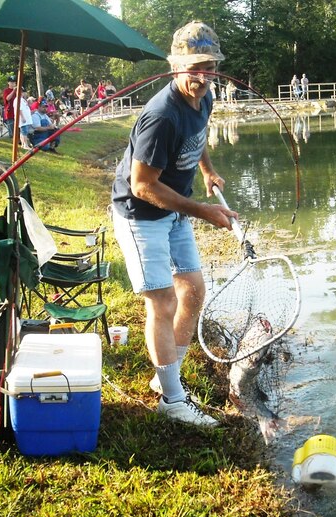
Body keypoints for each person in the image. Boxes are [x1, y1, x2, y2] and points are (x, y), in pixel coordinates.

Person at [110, 21, 237, 427]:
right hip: (142, 213)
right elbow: (143, 185)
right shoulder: (160, 116)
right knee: (163, 301)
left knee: (193, 291)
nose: (203, 76)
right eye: (194, 67)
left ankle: (166, 376)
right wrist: (203, 210)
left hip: (176, 209)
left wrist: (208, 170)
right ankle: (172, 400)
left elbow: (196, 138)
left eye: (210, 66)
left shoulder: (204, 98)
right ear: (175, 66)